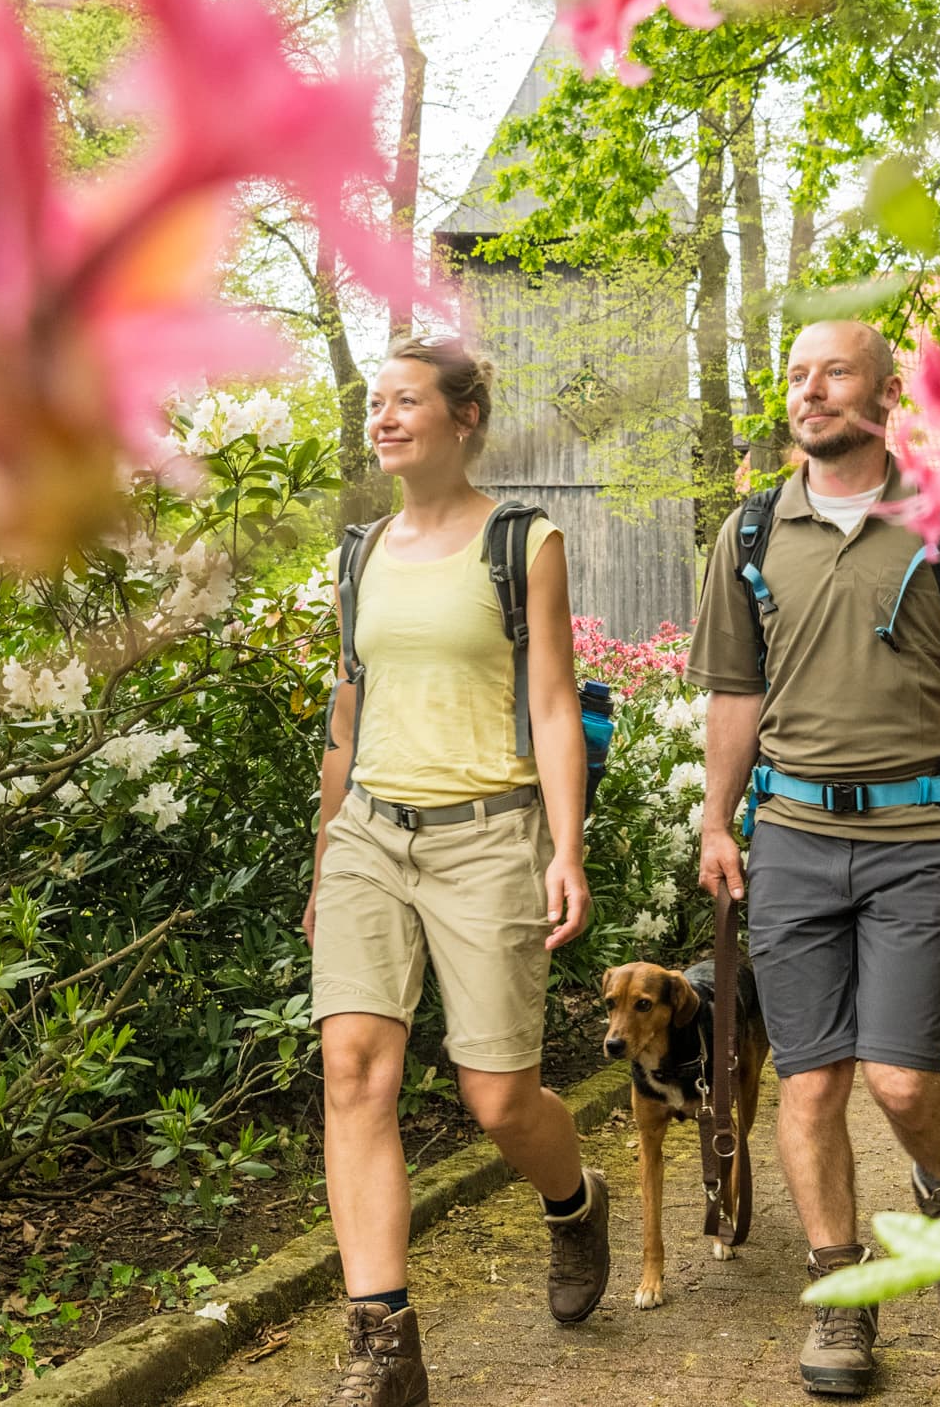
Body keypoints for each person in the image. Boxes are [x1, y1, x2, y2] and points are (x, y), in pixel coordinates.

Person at [689, 319, 940, 1397]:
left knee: (897, 1079)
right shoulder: (748, 534)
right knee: (808, 1084)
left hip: (917, 838)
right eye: (797, 375)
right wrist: (714, 818)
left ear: (886, 393)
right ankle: (840, 1296)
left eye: (835, 372)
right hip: (789, 837)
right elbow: (735, 696)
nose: (812, 390)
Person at [307, 337, 608, 1407]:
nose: (381, 418)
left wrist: (564, 848)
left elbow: (552, 705)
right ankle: (382, 1345)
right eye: (372, 404)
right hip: (370, 839)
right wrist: (324, 854)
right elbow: (348, 713)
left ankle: (574, 1202)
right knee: (354, 1070)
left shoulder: (520, 540)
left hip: (487, 837)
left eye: (404, 402)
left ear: (465, 416)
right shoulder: (356, 555)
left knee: (499, 1101)